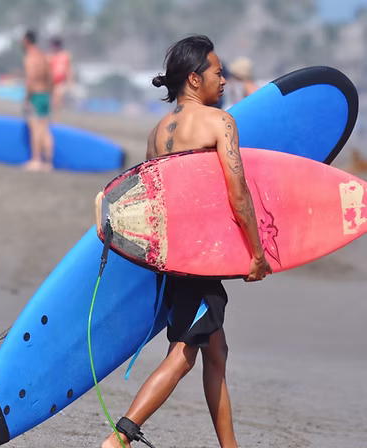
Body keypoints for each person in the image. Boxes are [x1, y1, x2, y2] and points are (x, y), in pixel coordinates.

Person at [101, 35, 272, 448]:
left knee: (216, 352)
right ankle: (119, 439)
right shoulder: (220, 122)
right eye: (217, 72)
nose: (225, 80)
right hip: (201, 258)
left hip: (171, 259)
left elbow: (147, 204)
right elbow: (239, 193)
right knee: (183, 353)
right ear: (195, 79)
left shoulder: (156, 133)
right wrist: (256, 253)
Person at [22, 30, 54, 171]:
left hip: (35, 95)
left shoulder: (30, 57)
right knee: (45, 129)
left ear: (26, 40)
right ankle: (48, 163)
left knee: (35, 129)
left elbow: (30, 78)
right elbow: (50, 77)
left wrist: (27, 97)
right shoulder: (43, 56)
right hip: (45, 95)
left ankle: (36, 160)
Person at [48, 36, 73, 112]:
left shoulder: (65, 56)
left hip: (61, 82)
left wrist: (70, 82)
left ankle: (58, 113)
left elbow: (69, 69)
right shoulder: (50, 56)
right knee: (52, 101)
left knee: (58, 98)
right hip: (51, 82)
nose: (54, 48)